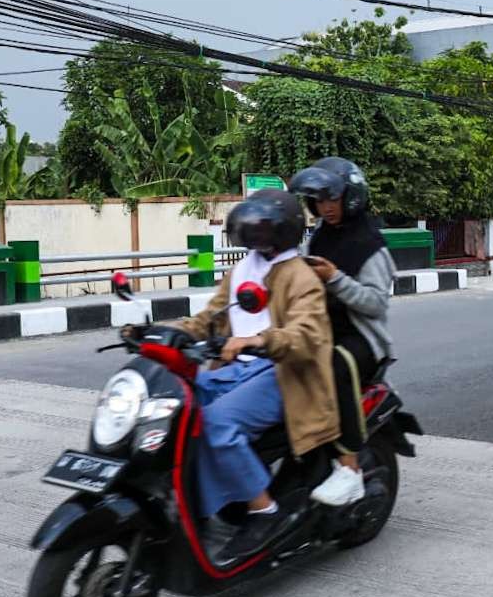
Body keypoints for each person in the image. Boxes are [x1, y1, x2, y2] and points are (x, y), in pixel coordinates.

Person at [170, 189, 343, 562]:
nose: (256, 237)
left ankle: (264, 510)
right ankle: (196, 502)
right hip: (235, 371)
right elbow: (210, 318)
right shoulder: (242, 269)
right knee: (174, 405)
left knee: (216, 424)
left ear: (285, 232)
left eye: (265, 230)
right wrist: (169, 334)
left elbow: (308, 334)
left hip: (282, 373)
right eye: (251, 230)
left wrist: (259, 339)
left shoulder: (300, 276)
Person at [289, 157, 396, 503]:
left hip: (360, 337)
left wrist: (334, 278)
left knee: (336, 364)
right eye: (319, 201)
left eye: (331, 199)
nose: (325, 208)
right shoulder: (319, 236)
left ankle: (348, 468)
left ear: (350, 197)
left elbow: (376, 303)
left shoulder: (370, 244)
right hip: (324, 329)